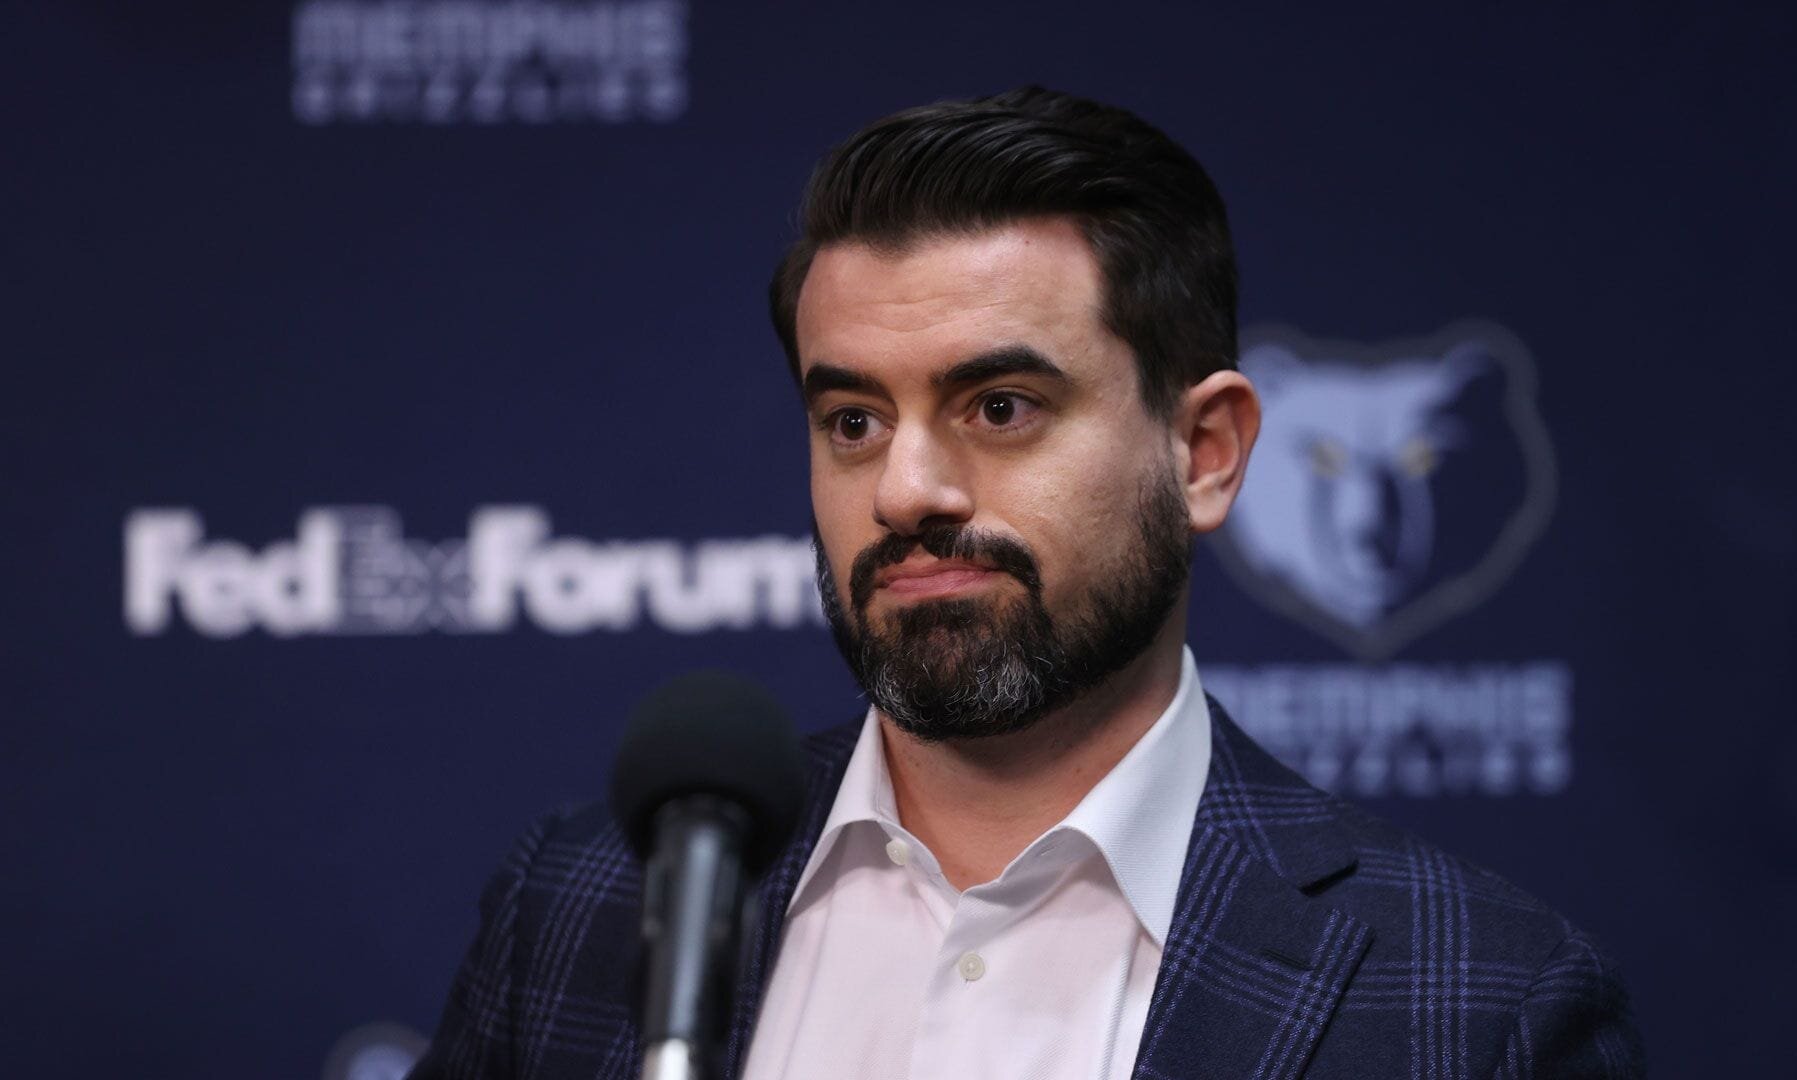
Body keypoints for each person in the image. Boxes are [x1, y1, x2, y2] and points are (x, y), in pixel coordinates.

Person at [409, 86, 1645, 1080]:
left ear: (1204, 452)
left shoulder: (1479, 1004)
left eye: (999, 407)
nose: (906, 491)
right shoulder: (579, 908)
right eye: (852, 420)